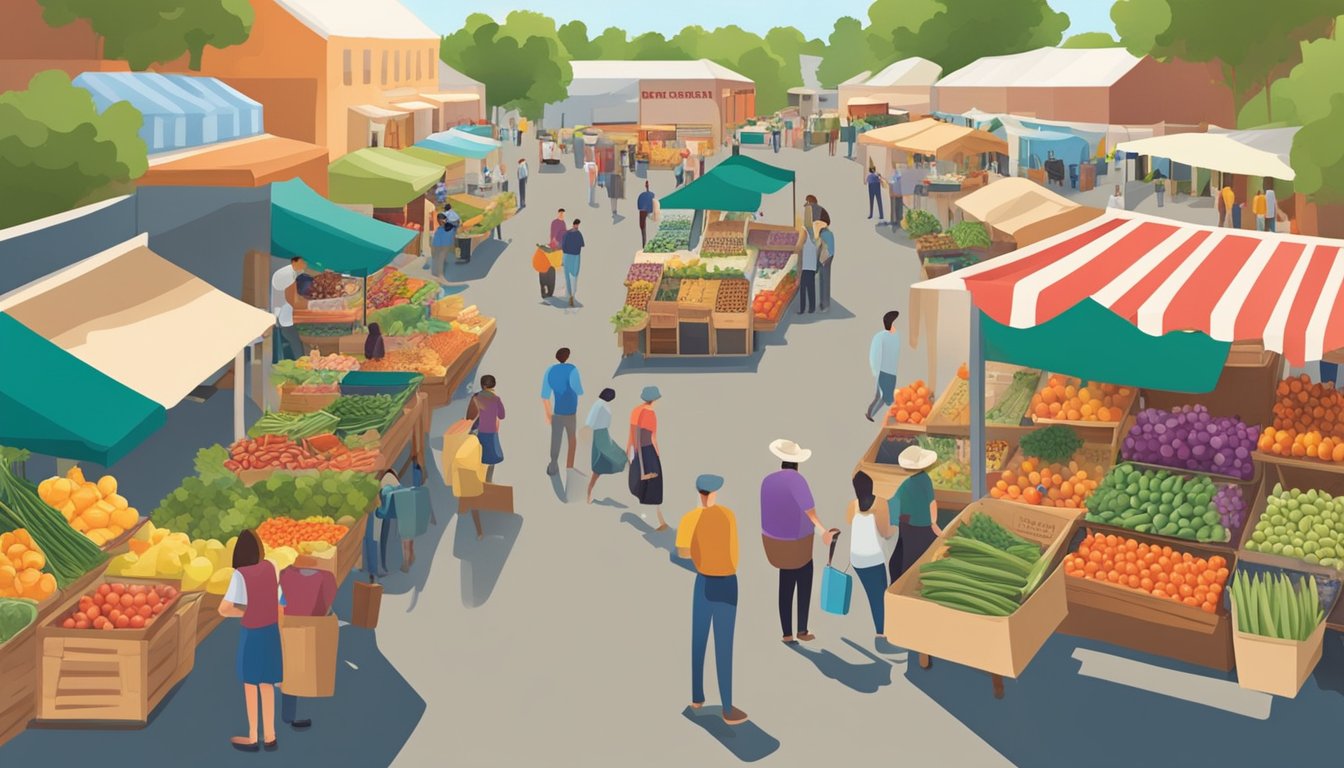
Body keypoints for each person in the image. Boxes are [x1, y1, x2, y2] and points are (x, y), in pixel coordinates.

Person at [678, 474, 748, 726]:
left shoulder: (689, 519)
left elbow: (683, 552)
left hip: (703, 582)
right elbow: (734, 554)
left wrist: (701, 559)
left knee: (698, 640)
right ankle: (727, 708)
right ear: (715, 493)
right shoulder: (728, 515)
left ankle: (697, 697)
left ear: (699, 493)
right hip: (727, 583)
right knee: (724, 646)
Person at [760, 439, 833, 644]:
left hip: (774, 544)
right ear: (797, 463)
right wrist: (823, 532)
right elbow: (810, 513)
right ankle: (802, 629)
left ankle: (786, 633)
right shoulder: (797, 481)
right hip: (798, 544)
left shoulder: (767, 480)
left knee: (785, 584)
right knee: (804, 581)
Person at [219, 529, 282, 752]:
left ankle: (253, 736)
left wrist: (246, 611)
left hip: (253, 633)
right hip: (272, 632)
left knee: (250, 684)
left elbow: (224, 609)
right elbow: (274, 594)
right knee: (267, 683)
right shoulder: (272, 566)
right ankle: (271, 735)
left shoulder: (240, 575)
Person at [277, 554, 336, 732]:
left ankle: (288, 714)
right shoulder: (325, 578)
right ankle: (297, 709)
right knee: (310, 665)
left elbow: (281, 601)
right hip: (315, 627)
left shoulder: (285, 575)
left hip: (289, 626)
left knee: (290, 668)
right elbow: (327, 603)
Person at [847, 471, 896, 639]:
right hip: (873, 558)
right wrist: (896, 527)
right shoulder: (880, 503)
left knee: (873, 595)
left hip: (856, 558)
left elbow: (849, 521)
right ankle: (882, 634)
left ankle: (883, 630)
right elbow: (886, 532)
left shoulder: (853, 505)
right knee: (879, 597)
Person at [888, 446, 942, 583]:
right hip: (922, 525)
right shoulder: (925, 479)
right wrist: (934, 523)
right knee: (924, 557)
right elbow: (931, 503)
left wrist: (897, 521)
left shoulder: (903, 483)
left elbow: (894, 503)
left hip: (905, 524)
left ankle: (899, 583)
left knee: (905, 556)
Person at [627, 386, 669, 530]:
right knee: (654, 485)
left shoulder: (636, 410)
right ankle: (658, 521)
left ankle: (659, 520)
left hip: (638, 450)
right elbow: (653, 437)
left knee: (644, 484)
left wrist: (630, 449)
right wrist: (657, 453)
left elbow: (632, 432)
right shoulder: (651, 414)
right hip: (648, 450)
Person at [541, 347, 583, 477]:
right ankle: (569, 466)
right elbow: (579, 390)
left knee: (556, 438)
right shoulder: (572, 370)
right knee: (572, 438)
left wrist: (548, 414)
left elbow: (545, 395)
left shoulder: (550, 371)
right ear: (567, 356)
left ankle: (553, 464)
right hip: (570, 411)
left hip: (557, 411)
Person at [584, 388, 624, 503]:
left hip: (603, 433)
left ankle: (589, 492)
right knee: (604, 458)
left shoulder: (602, 404)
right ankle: (589, 492)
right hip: (600, 434)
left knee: (610, 454)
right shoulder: (600, 405)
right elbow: (590, 421)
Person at [466, 374, 505, 480]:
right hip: (491, 432)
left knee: (474, 457)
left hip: (477, 432)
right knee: (491, 460)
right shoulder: (496, 399)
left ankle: (474, 481)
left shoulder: (476, 397)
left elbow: (469, 417)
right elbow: (502, 415)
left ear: (482, 385)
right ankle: (488, 481)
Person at [867, 310, 901, 421]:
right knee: (883, 397)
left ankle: (871, 413)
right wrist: (875, 370)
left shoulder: (895, 336)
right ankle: (871, 414)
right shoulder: (882, 337)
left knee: (883, 397)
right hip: (885, 371)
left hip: (890, 372)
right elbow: (874, 354)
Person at [271, 256, 306, 362]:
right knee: (295, 343)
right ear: (295, 261)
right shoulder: (285, 274)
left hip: (285, 315)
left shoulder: (294, 272)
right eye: (303, 262)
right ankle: (301, 365)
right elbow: (290, 296)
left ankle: (300, 363)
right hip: (283, 316)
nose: (305, 265)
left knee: (294, 342)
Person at [561, 218, 585, 307]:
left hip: (568, 256)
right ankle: (572, 295)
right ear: (575, 225)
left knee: (569, 276)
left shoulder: (567, 234)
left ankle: (570, 294)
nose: (577, 226)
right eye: (577, 225)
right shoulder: (577, 234)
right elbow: (581, 245)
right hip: (574, 256)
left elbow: (563, 246)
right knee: (573, 276)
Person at [429, 212, 456, 282]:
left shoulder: (440, 230)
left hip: (440, 246)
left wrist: (434, 250)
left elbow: (436, 240)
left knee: (439, 260)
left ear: (439, 220)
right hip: (445, 246)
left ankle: (440, 275)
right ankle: (440, 275)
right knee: (441, 260)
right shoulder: (450, 227)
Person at [798, 224, 818, 315]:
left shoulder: (804, 229)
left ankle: (802, 309)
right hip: (812, 264)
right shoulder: (815, 231)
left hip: (805, 265)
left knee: (803, 287)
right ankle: (812, 308)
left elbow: (798, 246)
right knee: (811, 287)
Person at [816, 220, 835, 313]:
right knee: (825, 282)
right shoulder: (829, 233)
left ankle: (824, 304)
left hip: (824, 259)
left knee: (824, 282)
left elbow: (821, 248)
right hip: (827, 259)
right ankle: (824, 303)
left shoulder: (824, 234)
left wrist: (822, 261)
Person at [637, 182, 656, 247]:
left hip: (645, 210)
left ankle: (644, 244)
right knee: (642, 228)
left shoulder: (647, 196)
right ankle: (644, 244)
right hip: (644, 210)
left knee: (643, 228)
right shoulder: (647, 196)